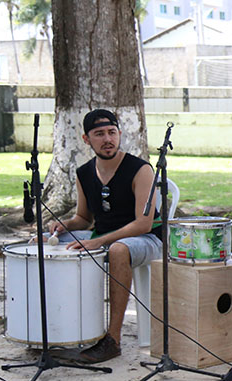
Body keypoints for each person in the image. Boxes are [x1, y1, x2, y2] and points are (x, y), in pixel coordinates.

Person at [50, 109, 162, 363]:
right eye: (99, 134)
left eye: (112, 132)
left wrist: (99, 240)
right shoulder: (84, 173)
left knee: (118, 249)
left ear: (120, 134)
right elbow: (84, 219)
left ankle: (112, 340)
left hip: (148, 240)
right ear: (86, 139)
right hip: (104, 236)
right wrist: (63, 226)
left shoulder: (141, 170)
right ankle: (59, 329)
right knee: (43, 245)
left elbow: (143, 224)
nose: (107, 139)